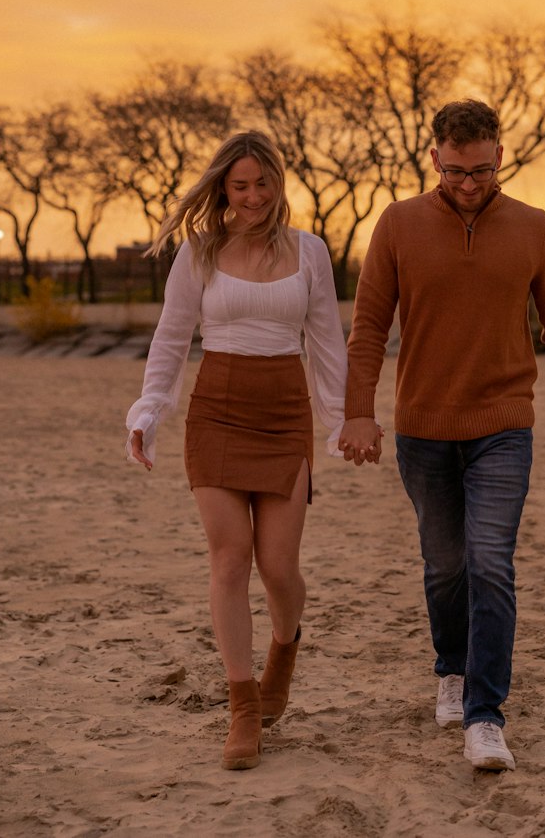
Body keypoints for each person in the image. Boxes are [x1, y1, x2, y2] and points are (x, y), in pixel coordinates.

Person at [338, 99, 545, 773]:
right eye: (455, 171)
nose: (469, 183)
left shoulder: (534, 229)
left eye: (480, 169)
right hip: (423, 429)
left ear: (500, 153)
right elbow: (367, 327)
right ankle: (450, 670)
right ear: (434, 159)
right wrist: (357, 411)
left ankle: (485, 715)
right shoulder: (397, 224)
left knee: (489, 563)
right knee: (446, 567)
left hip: (504, 426)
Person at [125, 130, 377, 770]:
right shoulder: (199, 253)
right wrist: (150, 409)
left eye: (263, 184)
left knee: (279, 568)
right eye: (240, 186)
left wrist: (344, 418)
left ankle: (284, 650)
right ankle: (242, 709)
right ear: (222, 189)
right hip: (216, 410)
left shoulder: (309, 251)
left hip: (282, 409)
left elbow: (325, 342)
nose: (253, 197)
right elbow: (171, 336)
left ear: (278, 183)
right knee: (230, 556)